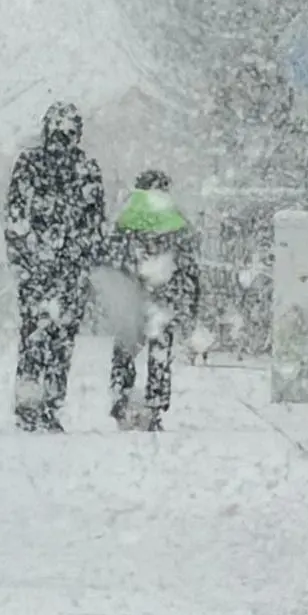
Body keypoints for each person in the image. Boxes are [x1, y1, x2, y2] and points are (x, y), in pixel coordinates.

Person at [2, 101, 104, 431]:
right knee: (55, 339)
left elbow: (16, 218)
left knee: (40, 338)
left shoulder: (32, 164)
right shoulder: (84, 169)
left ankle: (34, 404)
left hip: (48, 267)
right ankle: (44, 404)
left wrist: (23, 259)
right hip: (61, 268)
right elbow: (95, 227)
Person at [98, 168, 201, 432]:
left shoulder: (125, 216)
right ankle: (154, 405)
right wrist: (189, 300)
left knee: (125, 347)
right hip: (163, 295)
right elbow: (188, 263)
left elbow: (109, 256)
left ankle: (121, 399)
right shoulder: (176, 219)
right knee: (160, 349)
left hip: (131, 292)